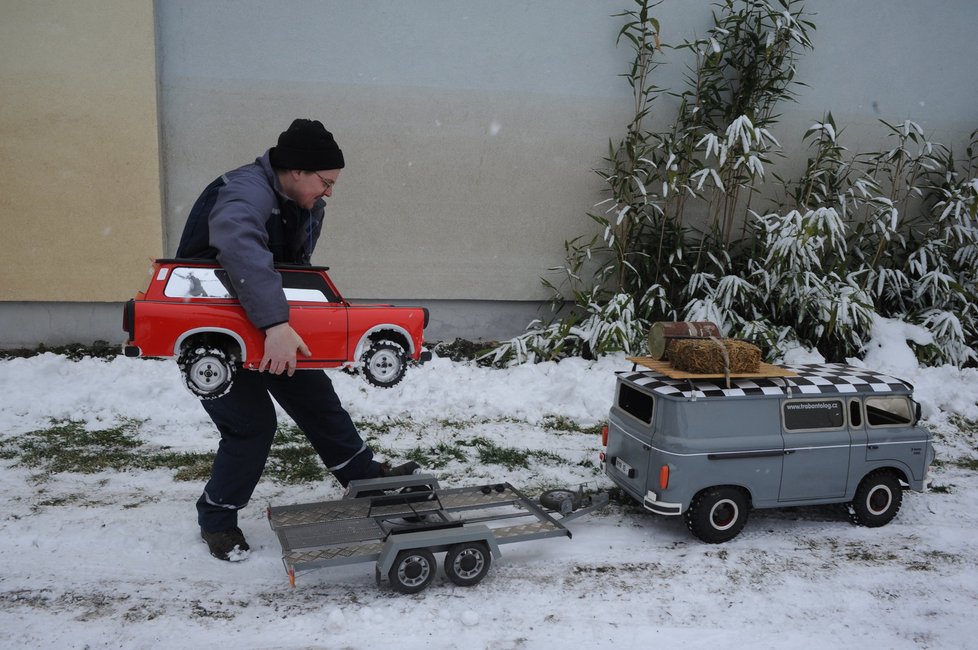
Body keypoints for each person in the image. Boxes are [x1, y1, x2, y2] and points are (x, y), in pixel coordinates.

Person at [175, 119, 417, 561]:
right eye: (325, 182)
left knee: (315, 398)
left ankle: (364, 480)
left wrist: (285, 323)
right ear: (297, 171)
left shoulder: (302, 203)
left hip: (270, 323)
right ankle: (217, 519)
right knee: (251, 424)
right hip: (219, 336)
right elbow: (240, 250)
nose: (329, 192)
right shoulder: (244, 193)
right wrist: (274, 325)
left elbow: (292, 268)